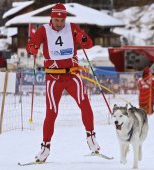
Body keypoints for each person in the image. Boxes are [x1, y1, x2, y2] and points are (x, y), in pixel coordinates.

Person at [26, 3, 100, 162]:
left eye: (62, 20)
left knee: (84, 103)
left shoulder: (72, 27)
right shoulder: (43, 30)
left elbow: (88, 44)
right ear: (51, 18)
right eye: (56, 20)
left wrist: (83, 38)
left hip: (73, 75)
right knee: (51, 112)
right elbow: (32, 44)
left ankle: (91, 138)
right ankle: (45, 148)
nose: (59, 23)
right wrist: (32, 48)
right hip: (53, 78)